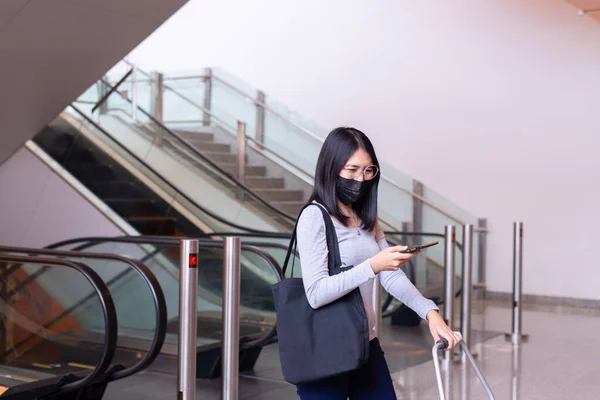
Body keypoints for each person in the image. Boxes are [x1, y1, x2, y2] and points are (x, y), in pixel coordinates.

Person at [294, 127, 462, 400]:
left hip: (365, 345)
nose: (361, 179)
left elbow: (391, 276)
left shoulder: (365, 218)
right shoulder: (314, 217)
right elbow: (316, 293)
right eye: (352, 170)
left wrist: (431, 314)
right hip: (324, 352)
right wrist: (373, 265)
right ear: (331, 168)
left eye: (368, 170)